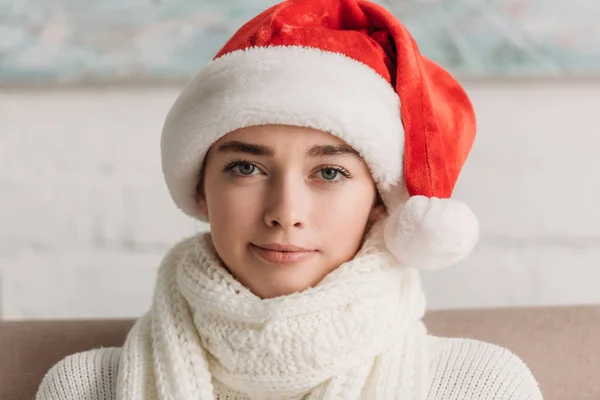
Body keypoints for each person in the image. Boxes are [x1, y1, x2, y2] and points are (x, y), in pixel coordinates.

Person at [36, 0, 544, 399]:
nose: (285, 212)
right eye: (245, 167)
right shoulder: (83, 388)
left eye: (329, 172)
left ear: (380, 201)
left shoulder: (482, 386)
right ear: (201, 188)